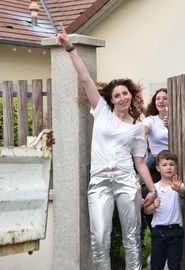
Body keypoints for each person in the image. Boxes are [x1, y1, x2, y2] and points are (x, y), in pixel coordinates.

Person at [56, 24, 157, 270]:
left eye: (125, 94)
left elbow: (140, 162)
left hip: (125, 180)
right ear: (110, 100)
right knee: (99, 238)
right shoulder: (100, 112)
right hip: (99, 181)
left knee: (132, 238)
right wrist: (71, 49)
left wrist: (152, 190)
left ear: (131, 96)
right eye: (117, 95)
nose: (122, 97)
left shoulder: (136, 129)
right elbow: (85, 78)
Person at [144, 150, 185, 270]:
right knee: (157, 265)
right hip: (158, 231)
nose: (168, 167)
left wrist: (178, 189)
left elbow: (183, 191)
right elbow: (146, 211)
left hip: (176, 231)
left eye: (172, 165)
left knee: (174, 265)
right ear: (158, 168)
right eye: (164, 165)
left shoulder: (178, 185)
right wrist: (153, 206)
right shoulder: (154, 188)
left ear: (176, 167)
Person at [141, 88, 169, 230]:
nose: (161, 101)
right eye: (158, 98)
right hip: (154, 161)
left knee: (168, 199)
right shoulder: (150, 120)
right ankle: (154, 234)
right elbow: (142, 131)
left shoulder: (177, 119)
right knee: (149, 196)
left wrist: (172, 126)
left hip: (171, 164)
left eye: (165, 98)